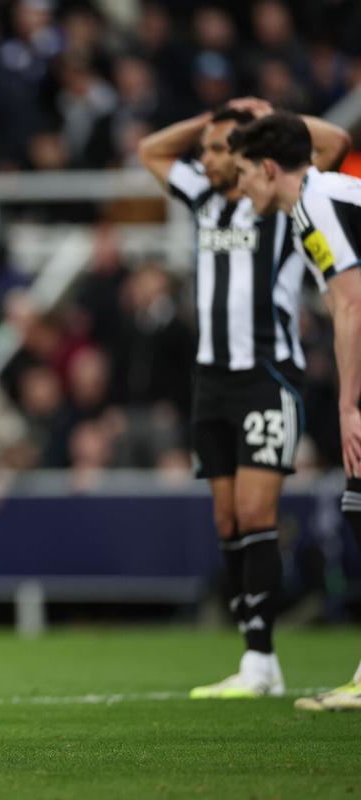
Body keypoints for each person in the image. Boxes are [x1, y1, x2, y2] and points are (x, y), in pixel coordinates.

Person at [138, 100, 349, 699]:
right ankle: (257, 654)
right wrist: (206, 118)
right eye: (202, 151)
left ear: (246, 154)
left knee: (257, 515)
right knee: (228, 519)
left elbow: (329, 144)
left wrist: (270, 117)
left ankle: (260, 658)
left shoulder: (279, 202)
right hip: (211, 383)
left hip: (266, 377)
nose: (203, 159)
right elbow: (151, 150)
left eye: (214, 149)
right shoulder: (205, 200)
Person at [230, 110, 361, 711]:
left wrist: (349, 403)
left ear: (267, 168)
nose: (242, 189)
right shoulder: (332, 193)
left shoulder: (313, 204)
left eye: (244, 174)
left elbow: (351, 303)